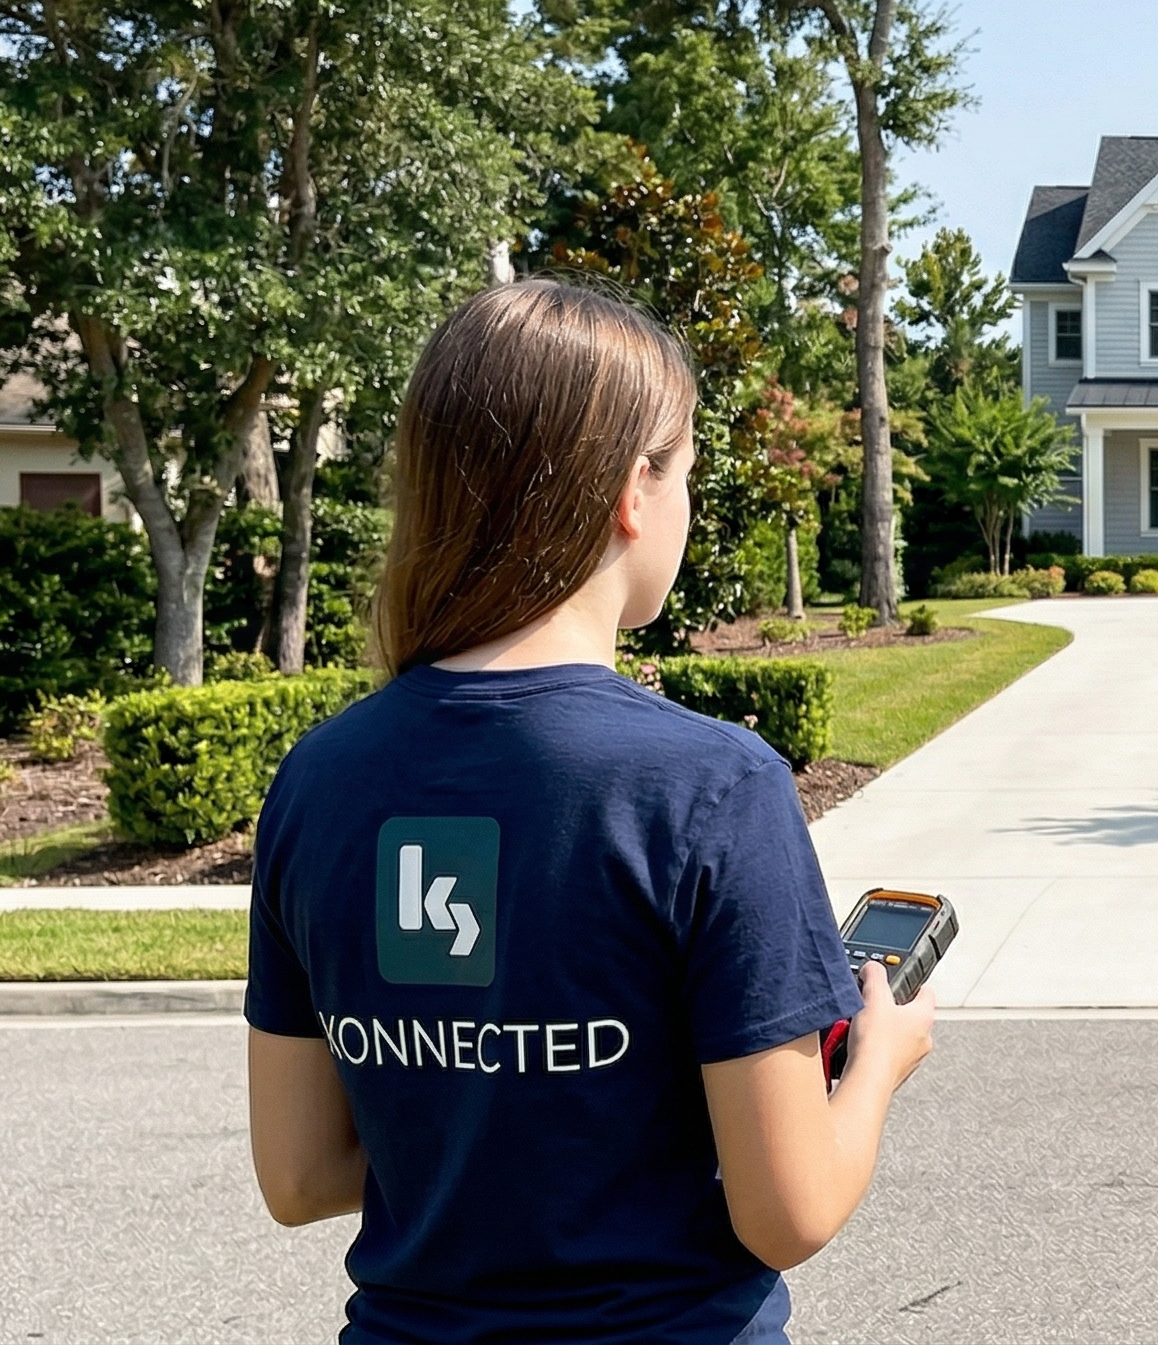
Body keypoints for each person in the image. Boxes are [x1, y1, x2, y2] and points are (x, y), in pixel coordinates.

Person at [244, 280, 934, 1343]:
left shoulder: (320, 779)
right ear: (632, 490)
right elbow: (789, 1210)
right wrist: (880, 1060)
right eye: (688, 473)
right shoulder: (715, 787)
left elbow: (299, 1175)